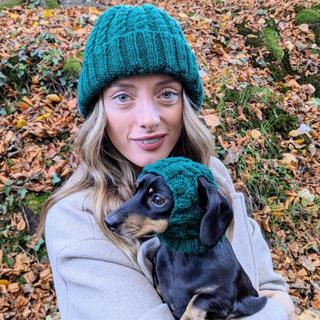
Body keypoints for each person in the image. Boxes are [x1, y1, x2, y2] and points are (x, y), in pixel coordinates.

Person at [38, 4, 295, 320]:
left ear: (185, 103)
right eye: (123, 97)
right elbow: (274, 301)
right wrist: (280, 311)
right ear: (99, 111)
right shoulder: (78, 220)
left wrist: (278, 301)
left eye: (167, 94)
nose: (148, 119)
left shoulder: (211, 178)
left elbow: (266, 283)